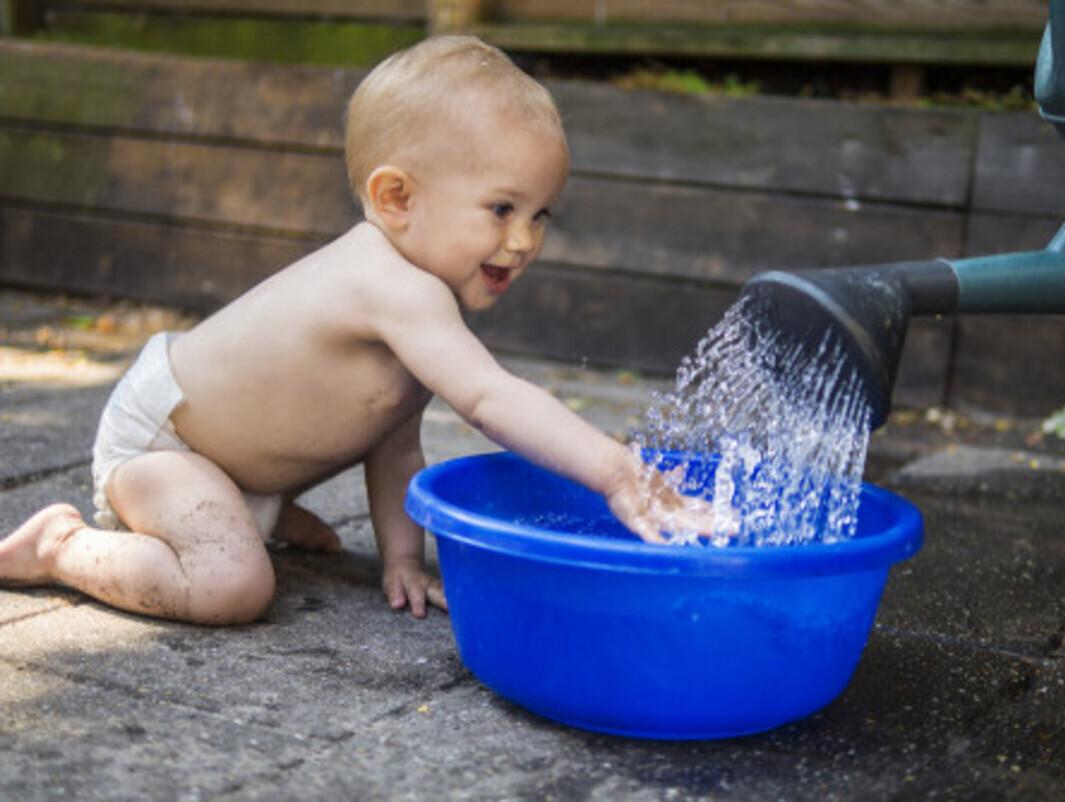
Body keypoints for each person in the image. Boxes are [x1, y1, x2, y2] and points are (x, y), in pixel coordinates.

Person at [0, 36, 713, 625]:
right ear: (396, 197)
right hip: (165, 444)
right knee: (231, 586)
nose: (524, 240)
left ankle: (259, 506)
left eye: (540, 214)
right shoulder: (387, 284)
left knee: (301, 526)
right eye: (501, 209)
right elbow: (490, 398)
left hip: (226, 458)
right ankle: (61, 547)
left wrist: (399, 558)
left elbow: (393, 440)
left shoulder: (421, 299)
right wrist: (618, 472)